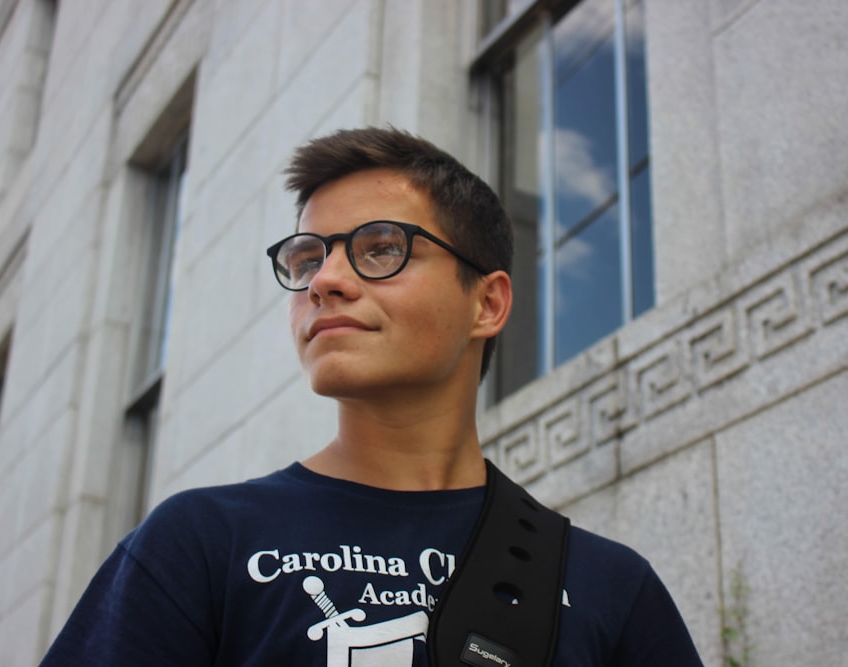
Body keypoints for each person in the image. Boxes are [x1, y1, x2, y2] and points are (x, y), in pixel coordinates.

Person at [40, 127, 704, 665]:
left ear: (488, 302)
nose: (324, 280)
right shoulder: (198, 546)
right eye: (306, 258)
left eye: (382, 247)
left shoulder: (610, 586)